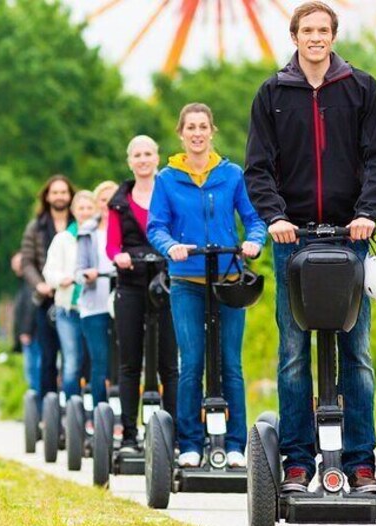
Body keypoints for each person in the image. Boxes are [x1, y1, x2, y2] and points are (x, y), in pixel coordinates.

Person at [244, 1, 376, 493]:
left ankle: (359, 463)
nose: (315, 37)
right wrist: (275, 217)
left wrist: (367, 214)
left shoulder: (361, 89)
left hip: (351, 238)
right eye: (307, 30)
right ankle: (295, 462)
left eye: (323, 30)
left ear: (333, 35)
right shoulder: (273, 93)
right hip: (294, 239)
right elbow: (258, 167)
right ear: (294, 37)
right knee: (292, 353)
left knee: (358, 352)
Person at [148, 103, 267, 467]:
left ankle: (234, 445)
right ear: (181, 133)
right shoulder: (167, 179)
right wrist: (172, 247)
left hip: (228, 278)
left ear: (212, 131)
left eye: (203, 127)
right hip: (187, 280)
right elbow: (157, 226)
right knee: (192, 362)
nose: (197, 133)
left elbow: (254, 219)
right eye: (190, 128)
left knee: (231, 363)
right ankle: (190, 445)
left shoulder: (230, 174)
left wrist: (254, 242)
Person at [107, 135, 179, 453]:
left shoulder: (171, 193)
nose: (143, 159)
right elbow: (111, 243)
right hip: (132, 279)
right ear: (130, 161)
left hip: (166, 279)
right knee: (129, 362)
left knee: (169, 362)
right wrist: (118, 256)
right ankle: (130, 435)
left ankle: (174, 433)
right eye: (137, 155)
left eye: (148, 153)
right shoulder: (118, 202)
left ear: (157, 157)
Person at [21, 175, 76, 411]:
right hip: (46, 299)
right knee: (48, 355)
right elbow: (27, 262)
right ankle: (48, 410)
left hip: (75, 298)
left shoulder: (79, 222)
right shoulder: (37, 227)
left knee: (75, 356)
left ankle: (74, 408)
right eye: (55, 192)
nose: (60, 197)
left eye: (64, 192)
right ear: (47, 196)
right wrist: (40, 284)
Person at [43, 190, 95, 402]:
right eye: (81, 208)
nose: (85, 212)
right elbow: (49, 271)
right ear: (74, 211)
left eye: (89, 208)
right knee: (72, 361)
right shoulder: (63, 239)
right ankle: (70, 409)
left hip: (93, 308)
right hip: (68, 309)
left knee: (95, 361)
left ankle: (94, 408)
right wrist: (61, 279)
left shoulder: (99, 237)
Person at [75, 181, 119, 408]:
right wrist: (87, 273)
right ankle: (99, 413)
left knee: (121, 360)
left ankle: (122, 412)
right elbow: (79, 269)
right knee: (100, 359)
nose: (109, 204)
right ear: (97, 204)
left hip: (120, 300)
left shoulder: (127, 228)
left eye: (113, 198)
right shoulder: (87, 232)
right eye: (103, 199)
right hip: (94, 303)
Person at [11, 252, 40, 391]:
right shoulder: (24, 283)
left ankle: (37, 403)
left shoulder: (29, 283)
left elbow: (30, 306)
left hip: (32, 334)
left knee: (33, 369)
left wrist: (26, 330)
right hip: (30, 333)